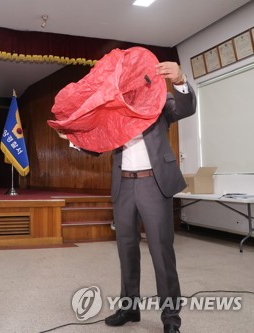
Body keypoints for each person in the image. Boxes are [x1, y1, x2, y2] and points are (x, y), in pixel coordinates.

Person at [57, 62, 196, 333]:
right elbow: (99, 145)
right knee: (126, 250)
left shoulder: (159, 99)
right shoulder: (113, 108)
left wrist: (180, 79)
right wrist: (73, 139)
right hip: (124, 186)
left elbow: (185, 108)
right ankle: (130, 307)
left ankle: (171, 319)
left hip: (153, 184)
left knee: (161, 253)